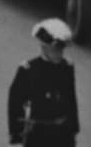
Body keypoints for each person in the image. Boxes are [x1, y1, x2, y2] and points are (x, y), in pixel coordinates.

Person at [8, 18, 78, 147]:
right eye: (55, 49)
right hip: (38, 135)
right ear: (44, 46)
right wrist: (16, 137)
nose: (60, 53)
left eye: (61, 49)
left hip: (63, 135)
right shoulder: (28, 70)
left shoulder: (67, 68)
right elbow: (15, 105)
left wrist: (73, 130)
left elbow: (71, 99)